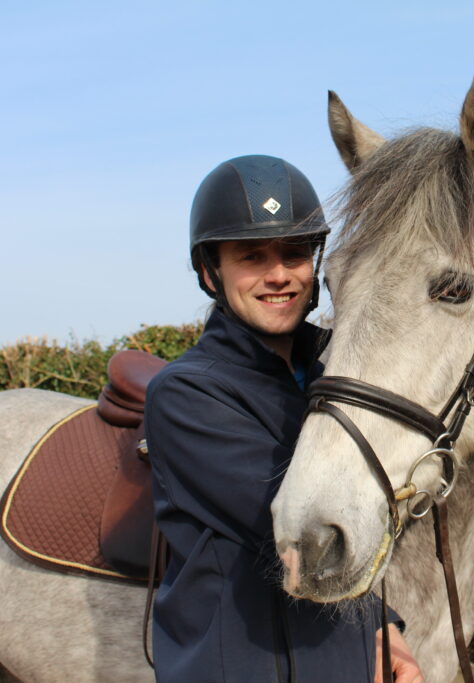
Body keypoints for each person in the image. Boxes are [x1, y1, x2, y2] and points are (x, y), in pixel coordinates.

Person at [144, 155, 423, 682]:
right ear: (210, 271)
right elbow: (311, 526)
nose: (279, 275)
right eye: (252, 257)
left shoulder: (340, 371)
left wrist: (382, 629)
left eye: (294, 254)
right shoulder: (184, 395)